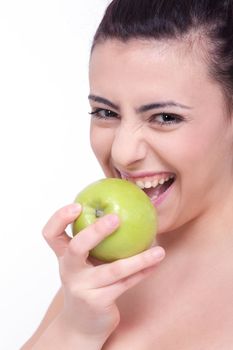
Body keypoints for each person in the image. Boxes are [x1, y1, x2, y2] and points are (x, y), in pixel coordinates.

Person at [22, 0, 233, 348]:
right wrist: (76, 329)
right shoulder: (101, 274)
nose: (121, 152)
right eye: (105, 112)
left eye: (165, 117)